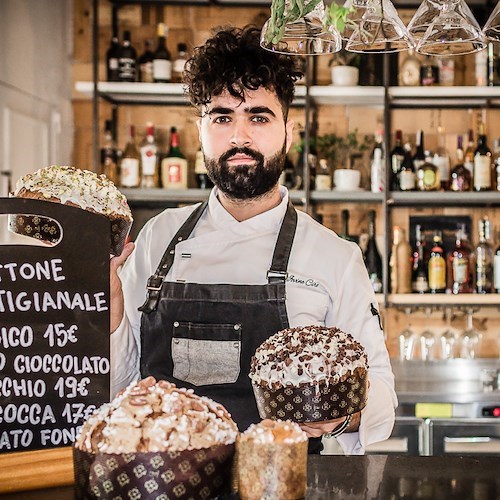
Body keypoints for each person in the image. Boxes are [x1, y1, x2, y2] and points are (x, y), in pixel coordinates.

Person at [110, 25, 396, 455]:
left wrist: (339, 418)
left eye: (258, 117)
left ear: (290, 131)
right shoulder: (158, 239)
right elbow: (117, 381)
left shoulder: (335, 257)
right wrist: (110, 306)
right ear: (199, 130)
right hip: (168, 482)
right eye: (222, 117)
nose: (239, 137)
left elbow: (382, 398)